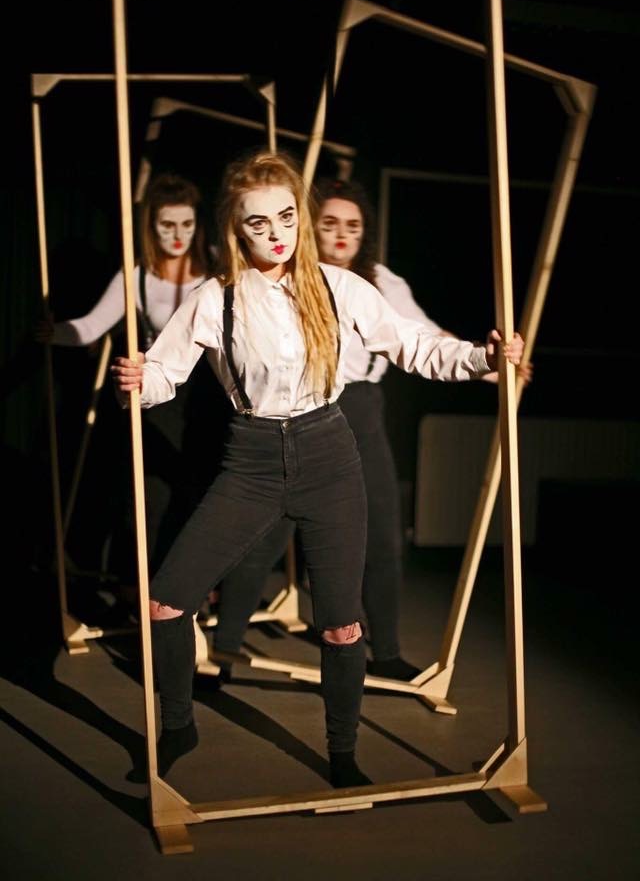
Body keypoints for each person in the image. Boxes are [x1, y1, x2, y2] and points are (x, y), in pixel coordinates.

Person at [111, 150, 524, 788]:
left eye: (286, 217)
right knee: (165, 603)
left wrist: (481, 360)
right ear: (236, 228)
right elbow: (164, 375)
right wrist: (137, 382)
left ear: (299, 216)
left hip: (328, 456)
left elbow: (414, 345)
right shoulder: (215, 299)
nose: (276, 234)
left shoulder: (339, 287)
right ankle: (177, 726)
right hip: (250, 460)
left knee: (340, 623)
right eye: (258, 223)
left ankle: (342, 754)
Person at [211, 177, 529, 680]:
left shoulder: (380, 282)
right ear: (310, 226)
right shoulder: (285, 278)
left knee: (382, 532)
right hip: (299, 415)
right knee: (268, 535)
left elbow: (423, 337)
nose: (342, 235)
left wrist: (490, 367)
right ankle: (222, 649)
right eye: (330, 223)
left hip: (360, 411)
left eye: (353, 226)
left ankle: (387, 653)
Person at [36, 173, 219, 612]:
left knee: (202, 491)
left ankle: (195, 586)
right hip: (160, 393)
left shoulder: (216, 266)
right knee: (152, 496)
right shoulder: (137, 277)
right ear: (151, 226)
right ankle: (147, 589)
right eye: (167, 225)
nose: (178, 235)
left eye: (186, 224)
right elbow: (90, 327)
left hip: (209, 394)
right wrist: (54, 333)